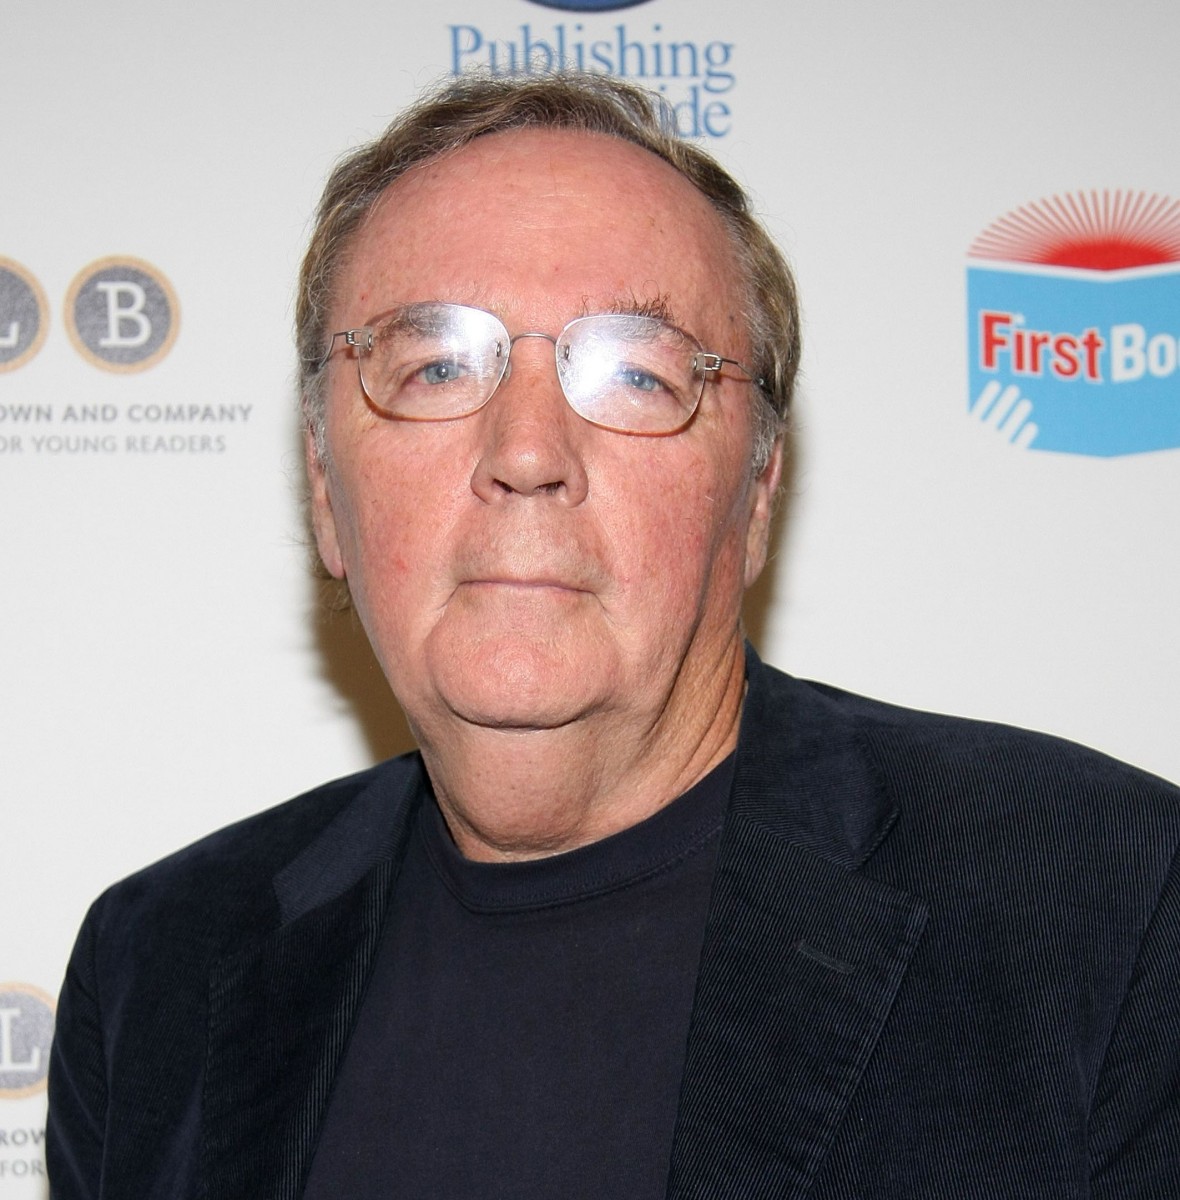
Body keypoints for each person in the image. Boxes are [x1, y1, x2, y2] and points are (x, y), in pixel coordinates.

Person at [48, 72, 1179, 1199]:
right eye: (436, 365)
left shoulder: (1108, 908)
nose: (527, 451)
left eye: (634, 373)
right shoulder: (159, 969)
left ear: (756, 494)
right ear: (324, 492)